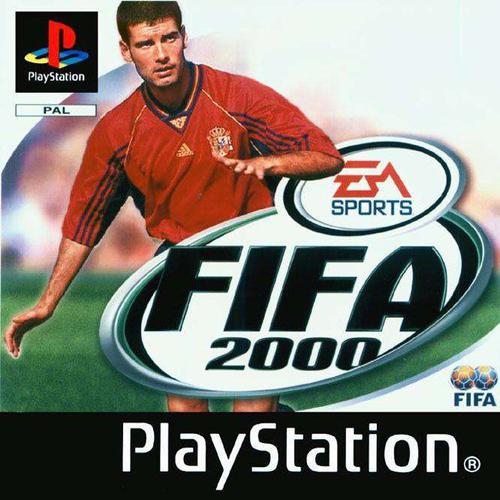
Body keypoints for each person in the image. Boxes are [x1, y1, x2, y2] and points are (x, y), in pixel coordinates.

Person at [4, 1, 344, 412]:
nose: (161, 54)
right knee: (185, 410)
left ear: (184, 37)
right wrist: (47, 303)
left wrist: (270, 163)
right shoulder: (117, 131)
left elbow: (326, 157)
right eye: (146, 44)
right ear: (126, 51)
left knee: (252, 413)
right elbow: (84, 224)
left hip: (256, 257)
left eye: (169, 38)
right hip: (179, 263)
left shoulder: (238, 95)